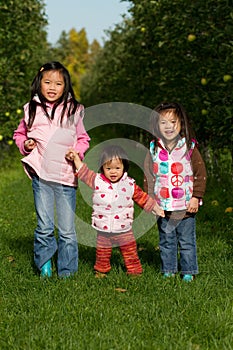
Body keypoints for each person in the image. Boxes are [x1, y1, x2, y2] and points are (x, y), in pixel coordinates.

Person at [13, 61, 90, 278]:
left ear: (65, 86)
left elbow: (84, 139)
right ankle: (44, 264)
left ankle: (67, 271)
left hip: (65, 176)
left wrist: (77, 152)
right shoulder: (31, 110)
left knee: (66, 229)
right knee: (45, 224)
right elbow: (19, 135)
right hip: (42, 175)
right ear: (39, 83)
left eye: (58, 83)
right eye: (47, 82)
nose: (52, 87)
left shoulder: (74, 110)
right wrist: (25, 144)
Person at [65, 145, 165, 277]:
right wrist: (76, 159)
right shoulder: (97, 180)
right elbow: (83, 172)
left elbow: (143, 198)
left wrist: (156, 208)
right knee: (102, 252)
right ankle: (101, 271)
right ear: (102, 168)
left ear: (124, 167)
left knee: (130, 252)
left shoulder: (129, 184)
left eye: (117, 168)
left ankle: (134, 271)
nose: (113, 172)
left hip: (124, 228)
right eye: (108, 168)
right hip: (103, 228)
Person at [144, 102, 207, 282]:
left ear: (181, 124)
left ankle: (188, 271)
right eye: (163, 123)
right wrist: (151, 201)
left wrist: (196, 197)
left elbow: (200, 174)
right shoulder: (154, 148)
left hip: (186, 206)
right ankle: (168, 270)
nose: (168, 127)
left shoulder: (189, 147)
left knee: (186, 241)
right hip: (163, 206)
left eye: (173, 122)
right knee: (166, 240)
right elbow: (148, 176)